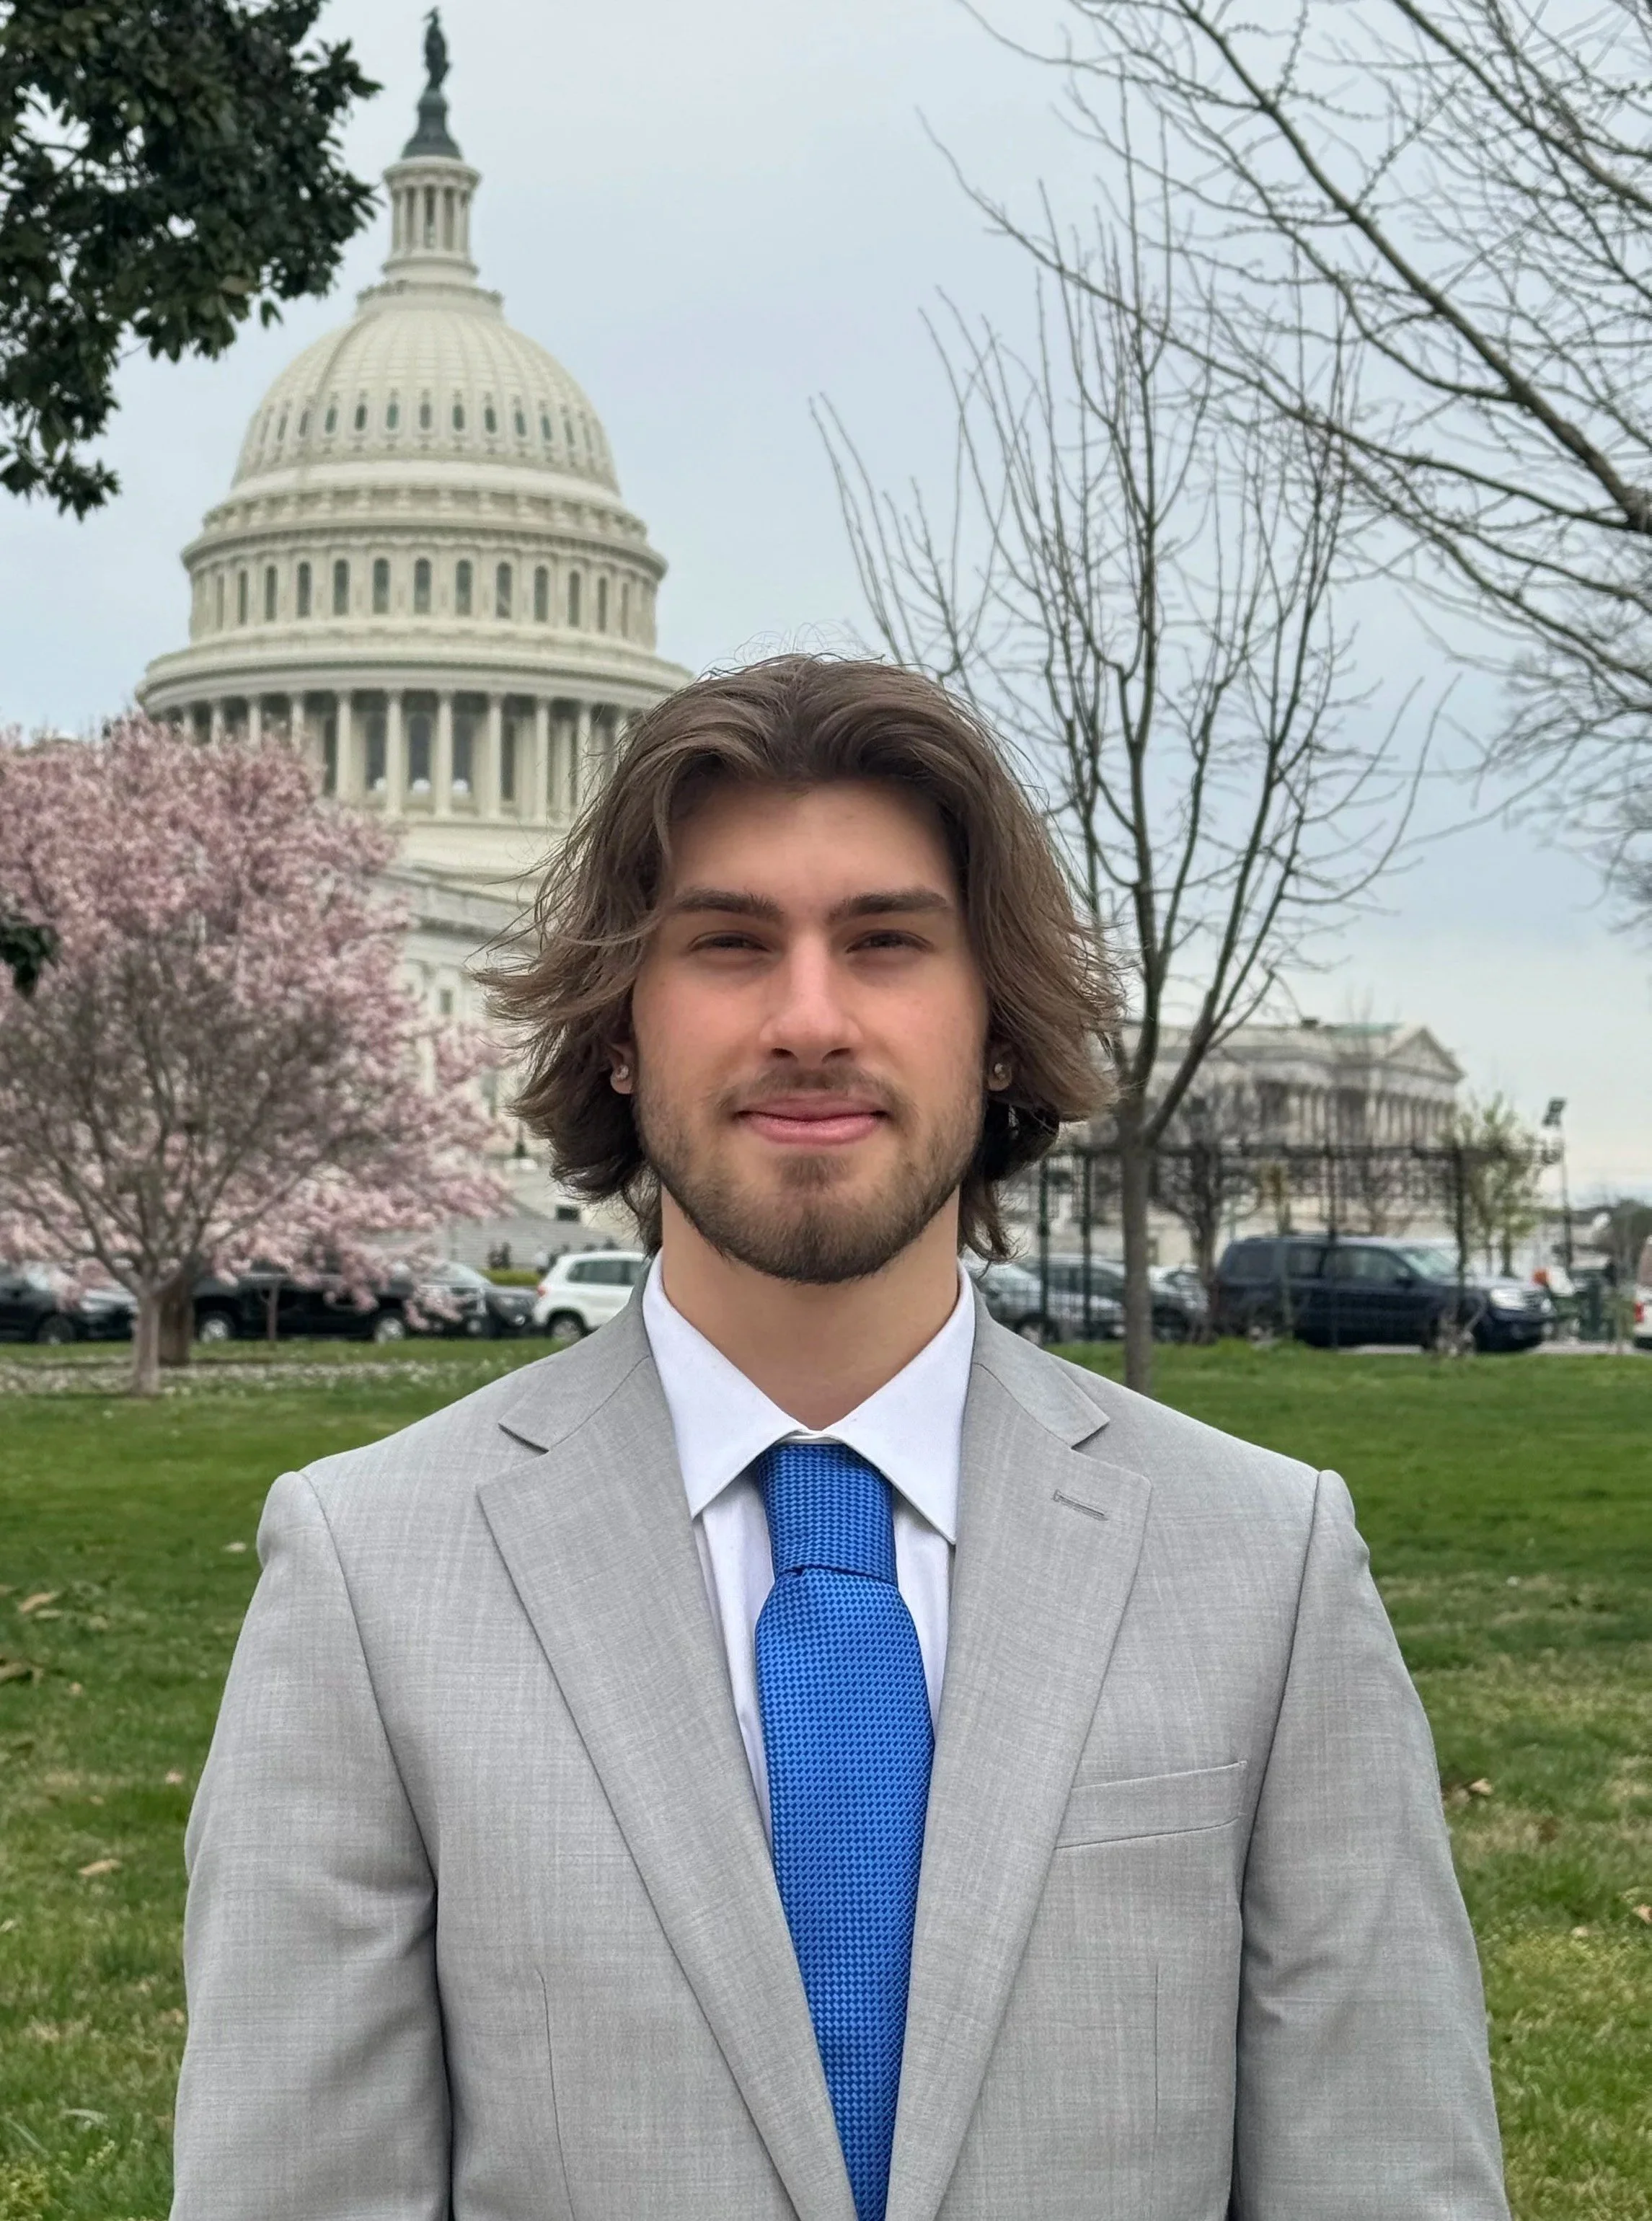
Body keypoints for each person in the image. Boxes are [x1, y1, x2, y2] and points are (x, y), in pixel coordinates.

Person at [173, 656, 1509, 2221]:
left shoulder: (1265, 1567)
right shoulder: (369, 1577)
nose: (808, 1021)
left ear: (994, 1025)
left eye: (884, 944)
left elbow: (1379, 2176)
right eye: (729, 946)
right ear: (619, 1030)